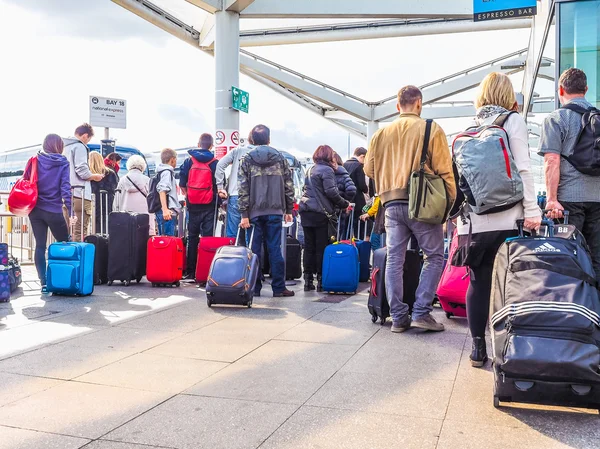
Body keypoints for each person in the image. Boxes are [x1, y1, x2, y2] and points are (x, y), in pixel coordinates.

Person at [455, 73, 541, 367]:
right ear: (508, 96)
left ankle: (478, 347)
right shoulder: (512, 121)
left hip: (474, 225)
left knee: (478, 283)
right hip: (509, 219)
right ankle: (508, 345)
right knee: (509, 282)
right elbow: (525, 170)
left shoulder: (470, 128)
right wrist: (532, 211)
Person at [365, 85, 456, 334]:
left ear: (397, 106)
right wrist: (448, 205)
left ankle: (398, 317)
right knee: (435, 256)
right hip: (423, 202)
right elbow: (445, 170)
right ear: (419, 104)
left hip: (390, 203)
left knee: (395, 258)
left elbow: (368, 170)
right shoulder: (430, 128)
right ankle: (421, 312)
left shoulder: (381, 134)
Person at [540, 68, 600, 281]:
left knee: (570, 257)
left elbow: (552, 160)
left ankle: (575, 309)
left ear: (561, 89)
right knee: (597, 260)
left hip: (568, 202)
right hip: (598, 199)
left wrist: (552, 199)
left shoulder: (557, 118)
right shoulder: (597, 118)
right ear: (586, 89)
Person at [238, 124, 295, 297]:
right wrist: (289, 209)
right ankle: (279, 288)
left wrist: (244, 214)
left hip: (254, 213)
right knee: (275, 248)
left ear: (253, 140)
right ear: (269, 139)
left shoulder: (246, 159)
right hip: (276, 210)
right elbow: (288, 185)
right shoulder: (280, 158)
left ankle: (254, 288)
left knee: (254, 250)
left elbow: (243, 188)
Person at [299, 146, 351, 291]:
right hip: (320, 213)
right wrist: (345, 203)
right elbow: (331, 192)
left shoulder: (310, 169)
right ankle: (321, 280)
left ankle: (308, 280)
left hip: (306, 210)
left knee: (308, 247)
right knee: (321, 246)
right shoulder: (327, 170)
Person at [27, 134, 74, 293]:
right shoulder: (63, 163)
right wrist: (71, 212)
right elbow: (65, 189)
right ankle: (62, 279)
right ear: (59, 146)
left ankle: (44, 283)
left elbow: (26, 181)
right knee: (64, 244)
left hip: (35, 210)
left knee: (40, 246)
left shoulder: (34, 160)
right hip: (54, 211)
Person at [179, 133, 225, 278]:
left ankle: (191, 272)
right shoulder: (215, 162)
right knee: (207, 238)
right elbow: (219, 186)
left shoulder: (189, 161)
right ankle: (205, 271)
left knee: (192, 237)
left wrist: (190, 196)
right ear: (211, 146)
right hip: (210, 206)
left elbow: (182, 184)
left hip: (193, 206)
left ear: (198, 144)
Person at [63, 123, 104, 241]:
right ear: (85, 135)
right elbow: (82, 171)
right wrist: (94, 176)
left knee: (67, 229)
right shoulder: (79, 147)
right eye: (89, 139)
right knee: (80, 230)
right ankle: (78, 258)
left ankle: (65, 256)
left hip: (66, 193)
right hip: (80, 194)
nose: (87, 142)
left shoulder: (65, 147)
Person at [215, 131, 254, 237]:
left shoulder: (237, 151)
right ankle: (249, 253)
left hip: (235, 196)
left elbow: (220, 165)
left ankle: (230, 252)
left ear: (249, 139)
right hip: (255, 198)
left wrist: (220, 187)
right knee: (252, 235)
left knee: (232, 234)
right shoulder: (262, 154)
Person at [113, 155, 155, 235]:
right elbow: (151, 202)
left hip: (126, 218)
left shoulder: (122, 180)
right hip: (145, 218)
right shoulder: (147, 180)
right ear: (143, 166)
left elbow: (116, 202)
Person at [89, 151, 119, 234]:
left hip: (91, 203)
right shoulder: (110, 173)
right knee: (104, 226)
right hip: (107, 203)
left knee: (91, 226)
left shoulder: (88, 175)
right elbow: (114, 188)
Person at [343, 147, 369, 238]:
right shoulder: (359, 166)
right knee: (358, 227)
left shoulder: (344, 164)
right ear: (362, 156)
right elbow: (362, 185)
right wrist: (366, 190)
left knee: (345, 227)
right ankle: (358, 247)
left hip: (346, 200)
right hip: (357, 201)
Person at [155, 148, 181, 236]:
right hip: (168, 212)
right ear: (172, 159)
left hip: (163, 210)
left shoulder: (161, 171)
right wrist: (165, 210)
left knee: (163, 240)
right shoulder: (167, 172)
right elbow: (162, 190)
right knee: (168, 241)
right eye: (176, 160)